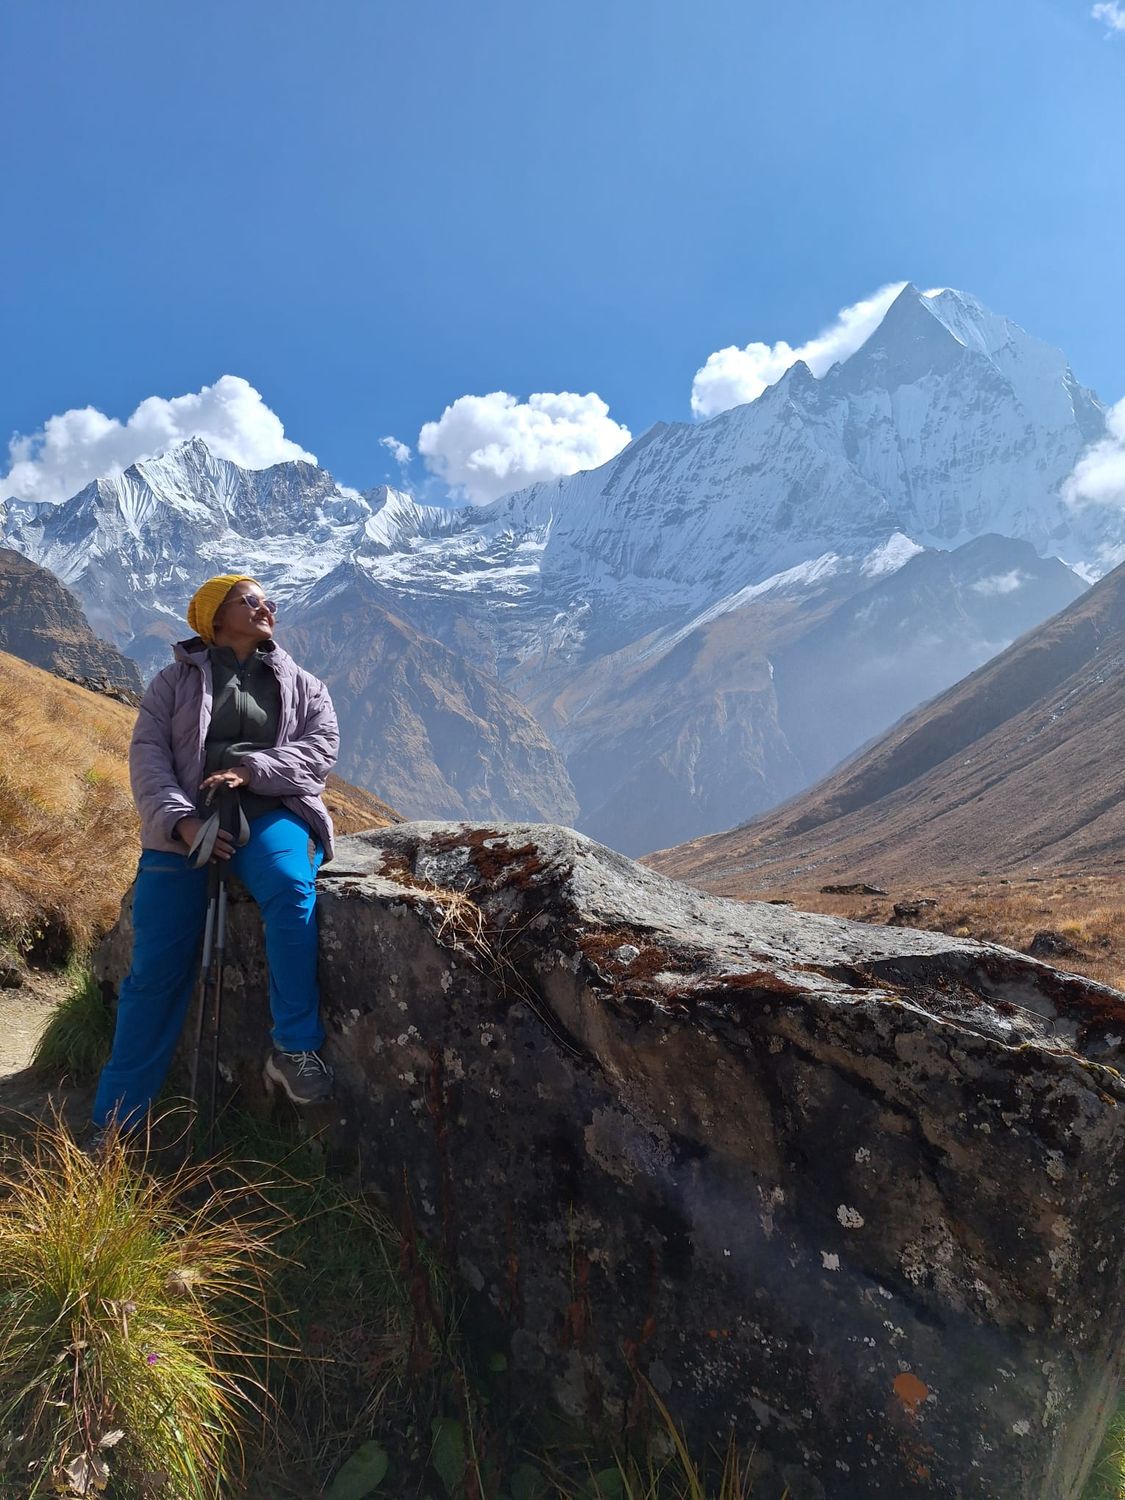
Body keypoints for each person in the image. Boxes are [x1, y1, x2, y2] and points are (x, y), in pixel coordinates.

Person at [91, 573, 339, 1134]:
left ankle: (294, 1048)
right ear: (214, 617)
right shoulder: (171, 684)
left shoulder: (304, 685)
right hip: (187, 818)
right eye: (250, 600)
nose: (266, 606)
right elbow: (148, 760)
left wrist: (250, 770)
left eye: (267, 599)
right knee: (154, 972)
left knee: (291, 889)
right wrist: (181, 823)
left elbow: (319, 750)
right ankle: (115, 1126)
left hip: (267, 808)